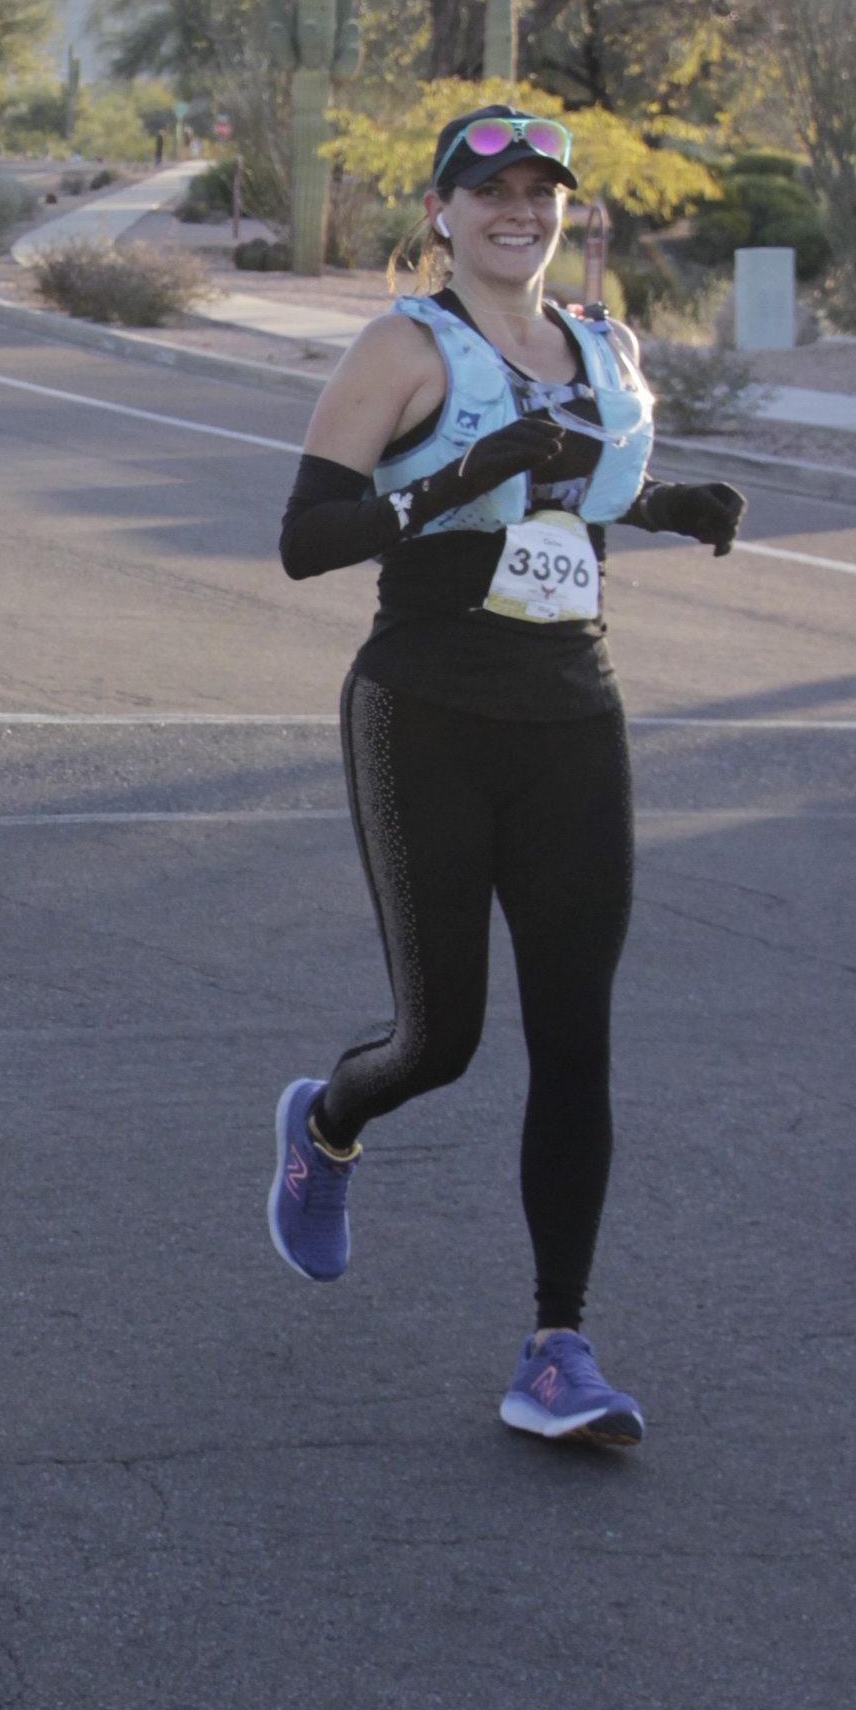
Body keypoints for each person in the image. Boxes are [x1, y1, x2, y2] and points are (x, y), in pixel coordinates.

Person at [266, 105, 747, 1448]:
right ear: (442, 212)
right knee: (442, 1040)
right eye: (489, 192)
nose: (518, 211)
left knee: (576, 1040)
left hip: (573, 718)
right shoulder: (403, 347)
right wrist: (446, 484)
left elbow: (578, 494)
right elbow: (305, 538)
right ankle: (330, 1121)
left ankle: (557, 1346)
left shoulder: (604, 347)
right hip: (423, 711)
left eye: (541, 191)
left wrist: (671, 504)